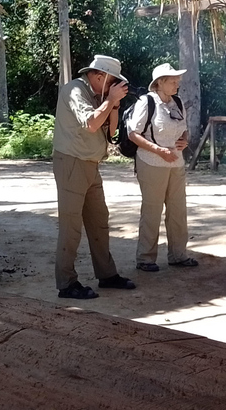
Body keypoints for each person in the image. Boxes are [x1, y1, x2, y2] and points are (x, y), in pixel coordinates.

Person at [52, 55, 137, 299]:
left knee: (99, 221)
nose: (113, 86)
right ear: (99, 76)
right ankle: (67, 284)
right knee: (71, 228)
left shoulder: (100, 96)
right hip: (71, 163)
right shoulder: (74, 90)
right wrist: (110, 99)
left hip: (90, 165)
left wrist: (114, 105)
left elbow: (110, 133)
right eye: (112, 81)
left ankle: (107, 275)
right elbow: (90, 124)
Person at [128, 63, 198, 272]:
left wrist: (184, 141)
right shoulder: (146, 102)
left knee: (178, 210)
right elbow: (133, 134)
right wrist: (158, 151)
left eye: (177, 79)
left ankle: (178, 255)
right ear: (159, 83)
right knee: (152, 210)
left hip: (175, 162)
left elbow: (183, 130)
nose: (177, 83)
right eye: (172, 80)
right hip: (151, 162)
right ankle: (145, 259)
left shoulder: (177, 102)